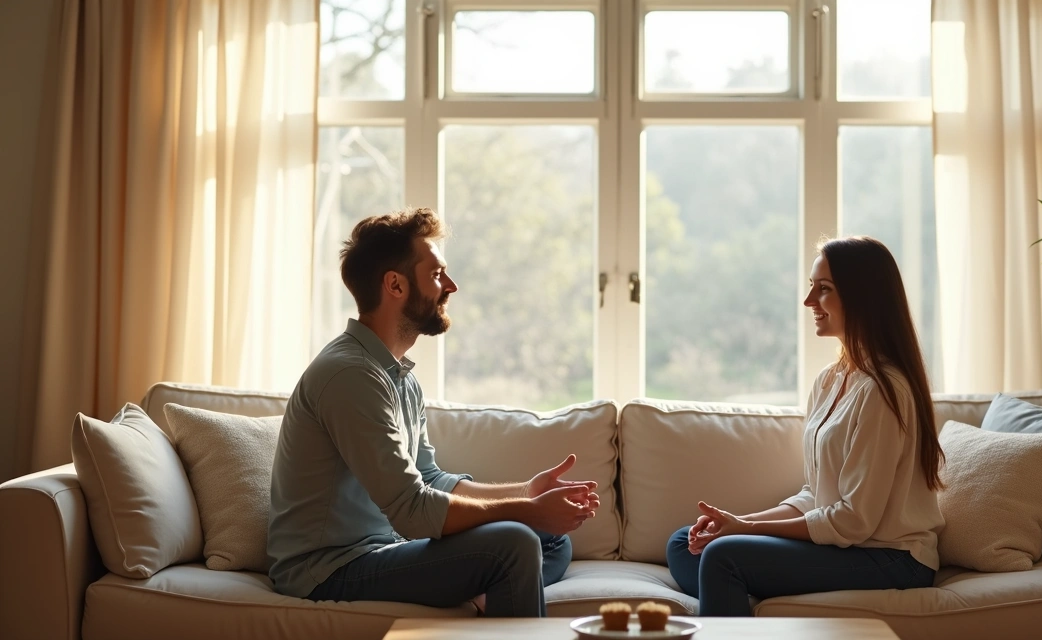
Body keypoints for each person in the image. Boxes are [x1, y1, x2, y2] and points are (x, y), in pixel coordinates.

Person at [267, 208, 600, 617]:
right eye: (438, 274)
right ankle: (495, 583)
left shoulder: (398, 376)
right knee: (515, 543)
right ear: (395, 284)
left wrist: (527, 493)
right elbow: (412, 511)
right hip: (329, 568)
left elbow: (430, 479)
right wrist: (525, 510)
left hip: (385, 548)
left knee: (551, 539)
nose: (452, 286)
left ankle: (490, 589)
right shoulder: (350, 375)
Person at [665, 235, 945, 616]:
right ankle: (733, 592)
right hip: (846, 544)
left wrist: (746, 530)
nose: (809, 301)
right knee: (683, 544)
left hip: (891, 556)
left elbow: (854, 521)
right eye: (812, 286)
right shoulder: (829, 381)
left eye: (823, 289)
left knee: (721, 557)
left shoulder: (883, 391)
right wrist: (736, 522)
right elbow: (815, 495)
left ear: (862, 297)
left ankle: (732, 587)